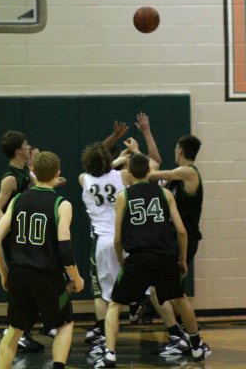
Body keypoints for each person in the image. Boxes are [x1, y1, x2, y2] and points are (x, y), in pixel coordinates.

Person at [93, 153, 206, 368]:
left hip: (138, 257)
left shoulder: (123, 196)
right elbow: (182, 232)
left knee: (116, 305)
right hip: (165, 256)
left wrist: (121, 259)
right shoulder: (165, 194)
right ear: (148, 171)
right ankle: (197, 344)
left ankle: (110, 354)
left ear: (130, 172)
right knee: (181, 299)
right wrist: (182, 259)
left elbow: (117, 239)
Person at [0, 151, 85, 369]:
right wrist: (77, 278)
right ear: (57, 174)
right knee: (65, 324)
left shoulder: (17, 200)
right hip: (47, 277)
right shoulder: (62, 204)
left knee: (14, 330)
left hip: (19, 275)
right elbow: (65, 249)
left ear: (33, 173)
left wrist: (4, 274)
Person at [127, 118, 211, 359]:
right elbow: (152, 169)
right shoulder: (177, 176)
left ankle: (193, 341)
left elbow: (151, 173)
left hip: (185, 240)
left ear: (181, 151)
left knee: (174, 294)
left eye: (175, 148)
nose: (174, 151)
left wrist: (135, 153)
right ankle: (183, 336)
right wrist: (144, 138)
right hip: (172, 242)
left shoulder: (187, 172)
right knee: (161, 291)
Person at [0, 130, 44, 352]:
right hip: (15, 240)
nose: (29, 145)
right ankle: (15, 329)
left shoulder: (26, 174)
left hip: (28, 238)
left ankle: (21, 329)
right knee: (21, 285)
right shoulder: (10, 178)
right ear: (18, 150)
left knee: (30, 285)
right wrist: (10, 225)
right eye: (26, 143)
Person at [78, 141, 132, 347]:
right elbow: (113, 170)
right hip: (123, 238)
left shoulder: (83, 179)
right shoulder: (122, 176)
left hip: (101, 240)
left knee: (101, 293)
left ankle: (102, 333)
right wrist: (121, 159)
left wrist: (113, 161)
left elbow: (98, 171)